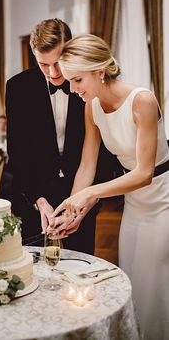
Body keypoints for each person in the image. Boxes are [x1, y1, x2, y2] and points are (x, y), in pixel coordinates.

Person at [50, 34, 169, 339]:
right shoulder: (92, 107)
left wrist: (90, 194)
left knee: (155, 285)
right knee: (130, 277)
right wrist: (74, 207)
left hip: (162, 197)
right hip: (135, 202)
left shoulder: (142, 100)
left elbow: (144, 173)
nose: (73, 89)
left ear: (99, 71)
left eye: (77, 80)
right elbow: (87, 165)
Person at [5, 19, 118, 254]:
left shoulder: (90, 85)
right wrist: (39, 200)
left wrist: (84, 202)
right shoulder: (18, 88)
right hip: (36, 196)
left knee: (81, 266)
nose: (53, 73)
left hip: (82, 191)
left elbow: (103, 152)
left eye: (58, 62)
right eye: (43, 64)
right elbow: (18, 154)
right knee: (36, 273)